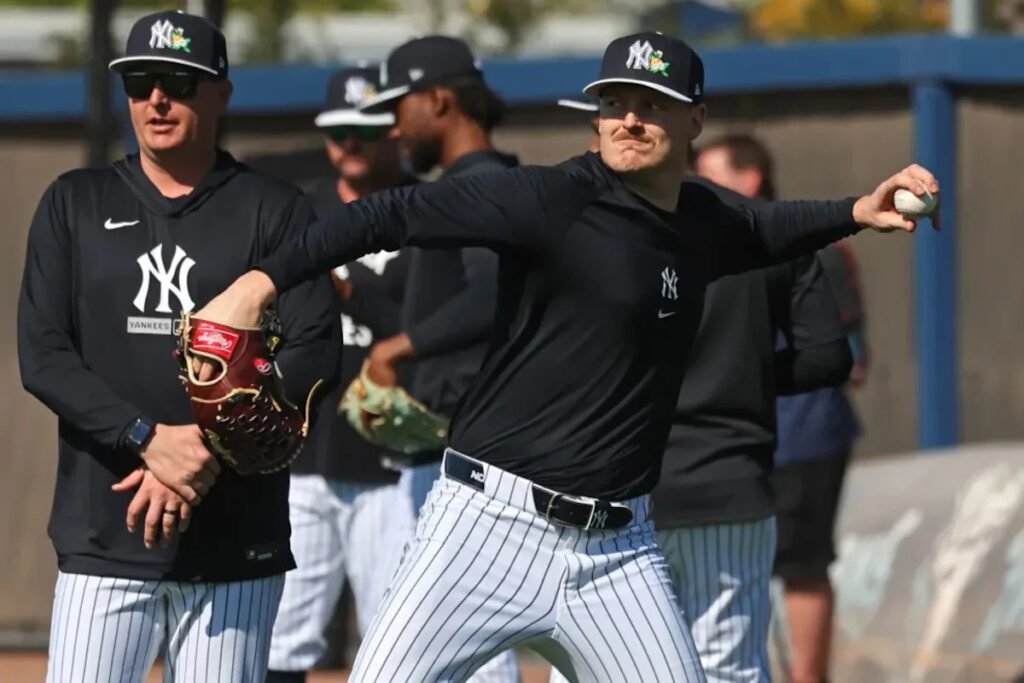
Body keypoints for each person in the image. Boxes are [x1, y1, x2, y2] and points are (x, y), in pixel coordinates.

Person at [191, 31, 939, 683]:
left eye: (651, 104)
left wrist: (857, 212)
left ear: (696, 122)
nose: (630, 119)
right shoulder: (549, 198)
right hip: (485, 526)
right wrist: (257, 285)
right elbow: (390, 212)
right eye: (615, 102)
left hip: (618, 553)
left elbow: (772, 224)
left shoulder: (704, 217)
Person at [16, 11, 339, 683]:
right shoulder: (74, 201)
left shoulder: (274, 210)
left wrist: (198, 448)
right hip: (104, 538)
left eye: (179, 82)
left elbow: (315, 351)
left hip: (234, 540)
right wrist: (145, 437)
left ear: (221, 93)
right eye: (139, 82)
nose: (156, 99)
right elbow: (43, 353)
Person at [546, 101, 851, 683]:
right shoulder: (772, 227)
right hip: (728, 485)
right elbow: (827, 357)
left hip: (614, 489)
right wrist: (751, 372)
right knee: (726, 670)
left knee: (593, 669)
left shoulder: (593, 226)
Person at [265, 65, 417, 683]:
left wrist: (349, 289)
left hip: (395, 467)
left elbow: (433, 325)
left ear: (393, 131)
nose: (349, 144)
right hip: (304, 458)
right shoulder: (303, 212)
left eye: (364, 129)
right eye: (338, 132)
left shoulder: (423, 210)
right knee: (279, 638)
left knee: (400, 645)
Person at [699, 135, 869, 683]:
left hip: (805, 434)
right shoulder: (706, 243)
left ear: (750, 180)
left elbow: (849, 357)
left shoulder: (808, 244)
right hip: (745, 437)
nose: (697, 187)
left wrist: (744, 373)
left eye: (711, 173)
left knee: (802, 567)